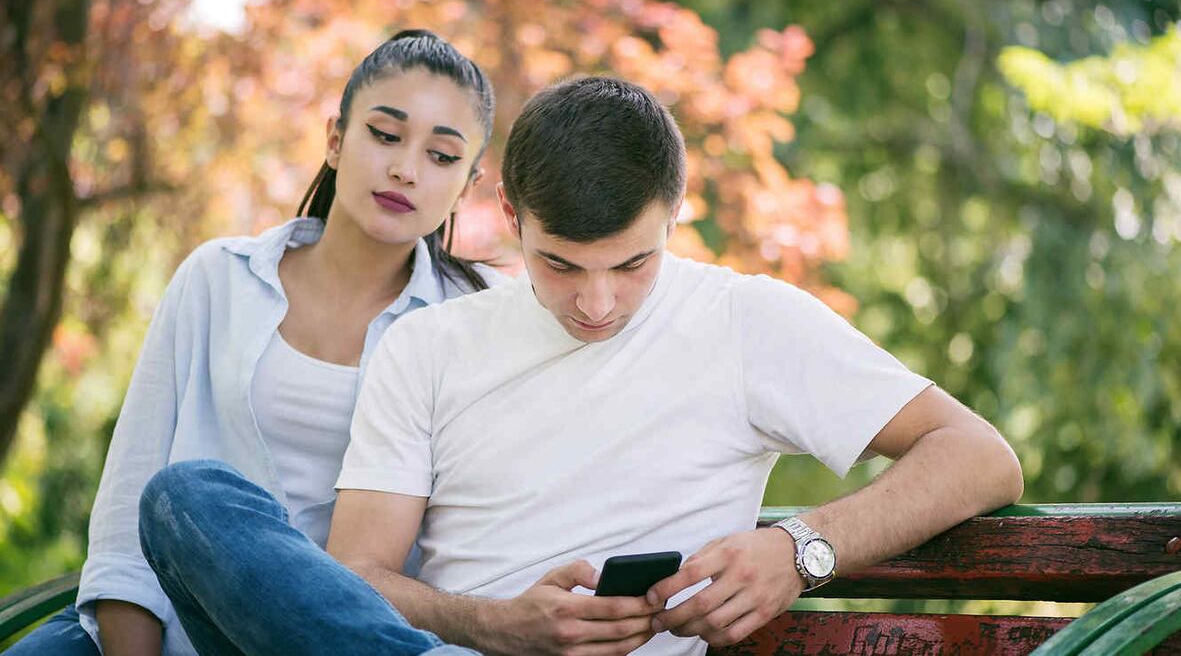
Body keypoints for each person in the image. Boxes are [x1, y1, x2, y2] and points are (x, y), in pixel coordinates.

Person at [137, 76, 1024, 656]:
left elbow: (980, 456)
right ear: (509, 213)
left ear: (674, 214)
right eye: (560, 266)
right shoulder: (427, 345)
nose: (596, 306)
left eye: (633, 265)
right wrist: (500, 626)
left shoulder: (747, 320)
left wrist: (799, 549)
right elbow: (357, 582)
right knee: (187, 500)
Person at [8, 30, 501, 656]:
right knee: (184, 494)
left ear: (469, 182)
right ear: (334, 138)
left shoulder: (470, 320)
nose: (406, 168)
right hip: (171, 624)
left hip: (330, 640)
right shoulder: (220, 278)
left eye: (442, 156)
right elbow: (130, 501)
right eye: (384, 135)